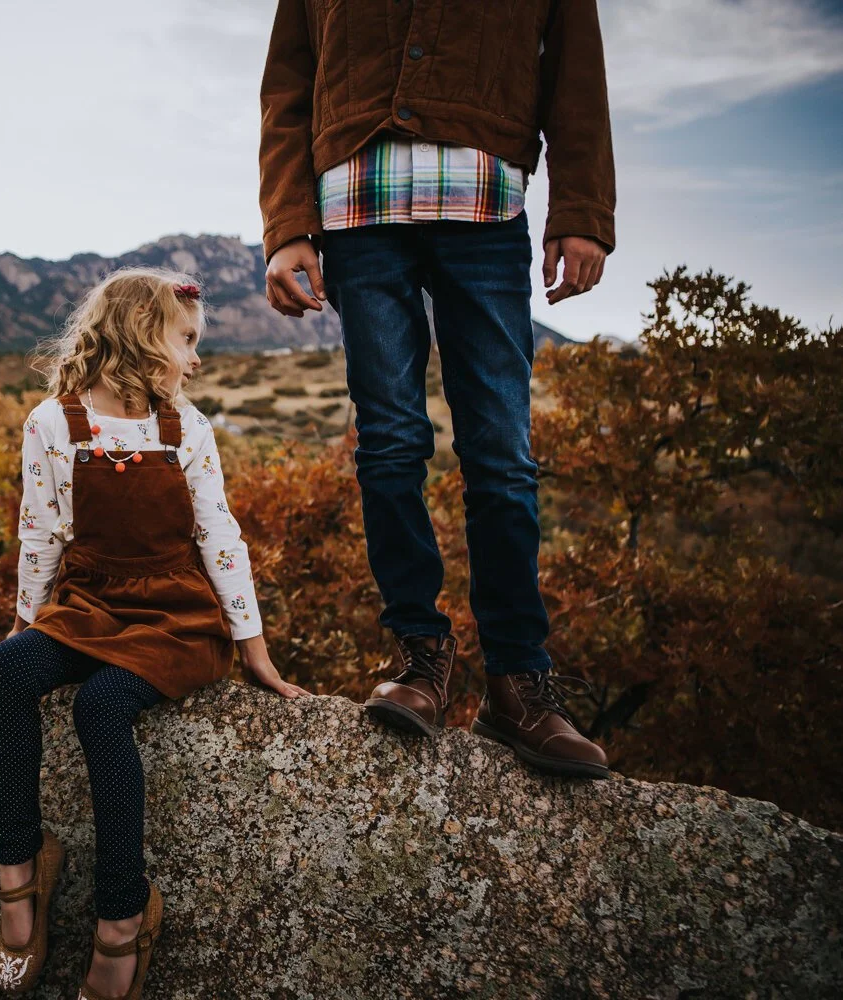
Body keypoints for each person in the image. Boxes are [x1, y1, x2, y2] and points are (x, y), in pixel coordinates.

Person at [258, 0, 614, 778]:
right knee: (388, 443)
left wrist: (582, 207)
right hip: (357, 214)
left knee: (501, 454)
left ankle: (519, 685)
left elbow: (575, 73)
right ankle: (421, 659)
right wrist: (288, 223)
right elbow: (288, 85)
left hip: (486, 213)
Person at [0, 268, 307, 999]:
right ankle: (19, 868)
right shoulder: (53, 422)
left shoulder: (185, 427)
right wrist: (23, 628)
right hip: (91, 602)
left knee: (101, 707)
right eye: (186, 340)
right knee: (8, 671)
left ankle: (123, 913)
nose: (195, 359)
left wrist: (251, 645)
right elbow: (40, 534)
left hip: (175, 615)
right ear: (140, 334)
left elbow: (220, 536)